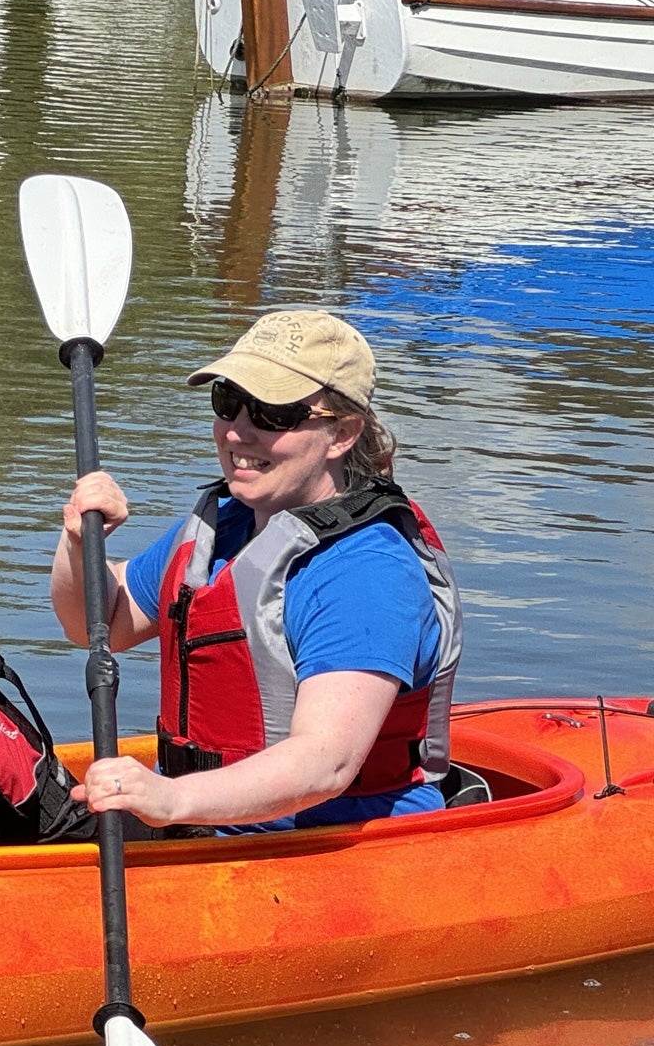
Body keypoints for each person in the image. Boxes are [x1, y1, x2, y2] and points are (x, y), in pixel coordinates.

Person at [50, 309, 462, 832]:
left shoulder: (365, 572)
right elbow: (102, 623)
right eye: (228, 402)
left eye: (273, 413)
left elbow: (326, 763)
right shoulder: (223, 526)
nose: (238, 432)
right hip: (202, 823)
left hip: (323, 841)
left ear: (342, 434)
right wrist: (79, 541)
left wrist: (172, 799)